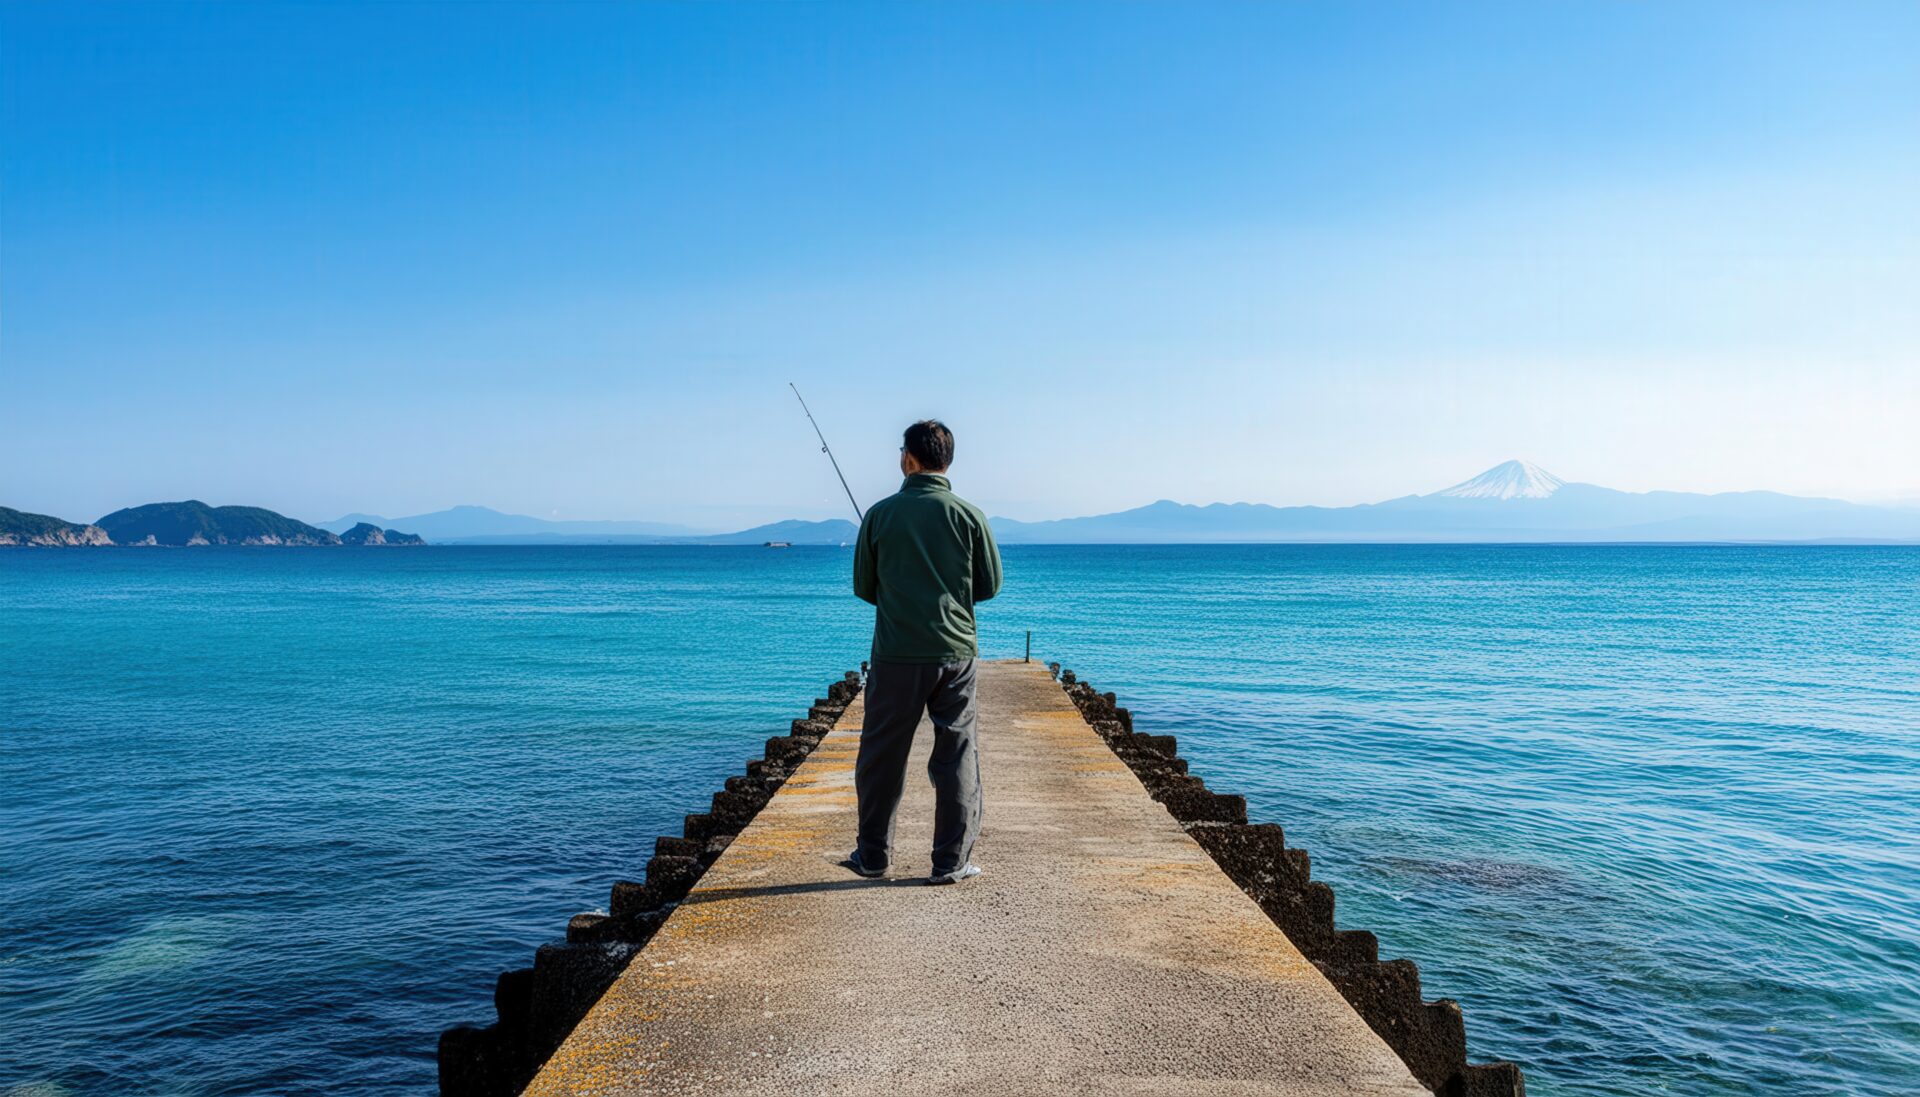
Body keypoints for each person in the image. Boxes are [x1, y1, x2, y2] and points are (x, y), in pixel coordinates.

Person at [847, 419, 1003, 885]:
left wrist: (903, 601)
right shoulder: (969, 515)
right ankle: (950, 863)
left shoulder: (879, 514)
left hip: (895, 653)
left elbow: (864, 587)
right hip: (955, 653)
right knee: (956, 753)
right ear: (947, 460)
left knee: (881, 756)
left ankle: (873, 857)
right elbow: (989, 586)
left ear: (908, 459)